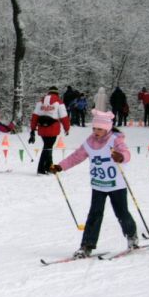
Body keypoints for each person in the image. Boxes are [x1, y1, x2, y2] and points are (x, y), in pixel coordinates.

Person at [51, 110, 138, 258]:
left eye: (100, 129)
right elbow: (76, 156)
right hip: (98, 185)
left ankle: (132, 236)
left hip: (116, 185)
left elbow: (126, 153)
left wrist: (121, 156)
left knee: (122, 213)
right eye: (94, 128)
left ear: (107, 128)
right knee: (94, 215)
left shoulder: (115, 140)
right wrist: (61, 166)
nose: (96, 132)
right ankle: (86, 246)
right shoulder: (90, 142)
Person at [29, 86, 70, 175]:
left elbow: (35, 116)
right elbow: (64, 117)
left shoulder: (41, 102)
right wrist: (67, 128)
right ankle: (41, 169)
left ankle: (49, 167)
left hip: (42, 129)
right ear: (57, 93)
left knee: (48, 147)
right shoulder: (59, 102)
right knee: (47, 148)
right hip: (53, 129)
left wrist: (32, 129)